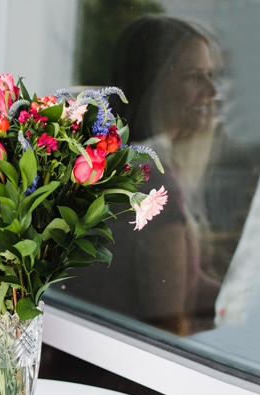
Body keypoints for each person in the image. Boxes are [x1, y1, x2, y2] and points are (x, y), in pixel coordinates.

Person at [67, 16, 223, 335]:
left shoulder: (128, 163)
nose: (212, 91)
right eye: (195, 78)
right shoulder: (148, 184)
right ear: (154, 82)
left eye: (211, 76)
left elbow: (188, 284)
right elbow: (169, 324)